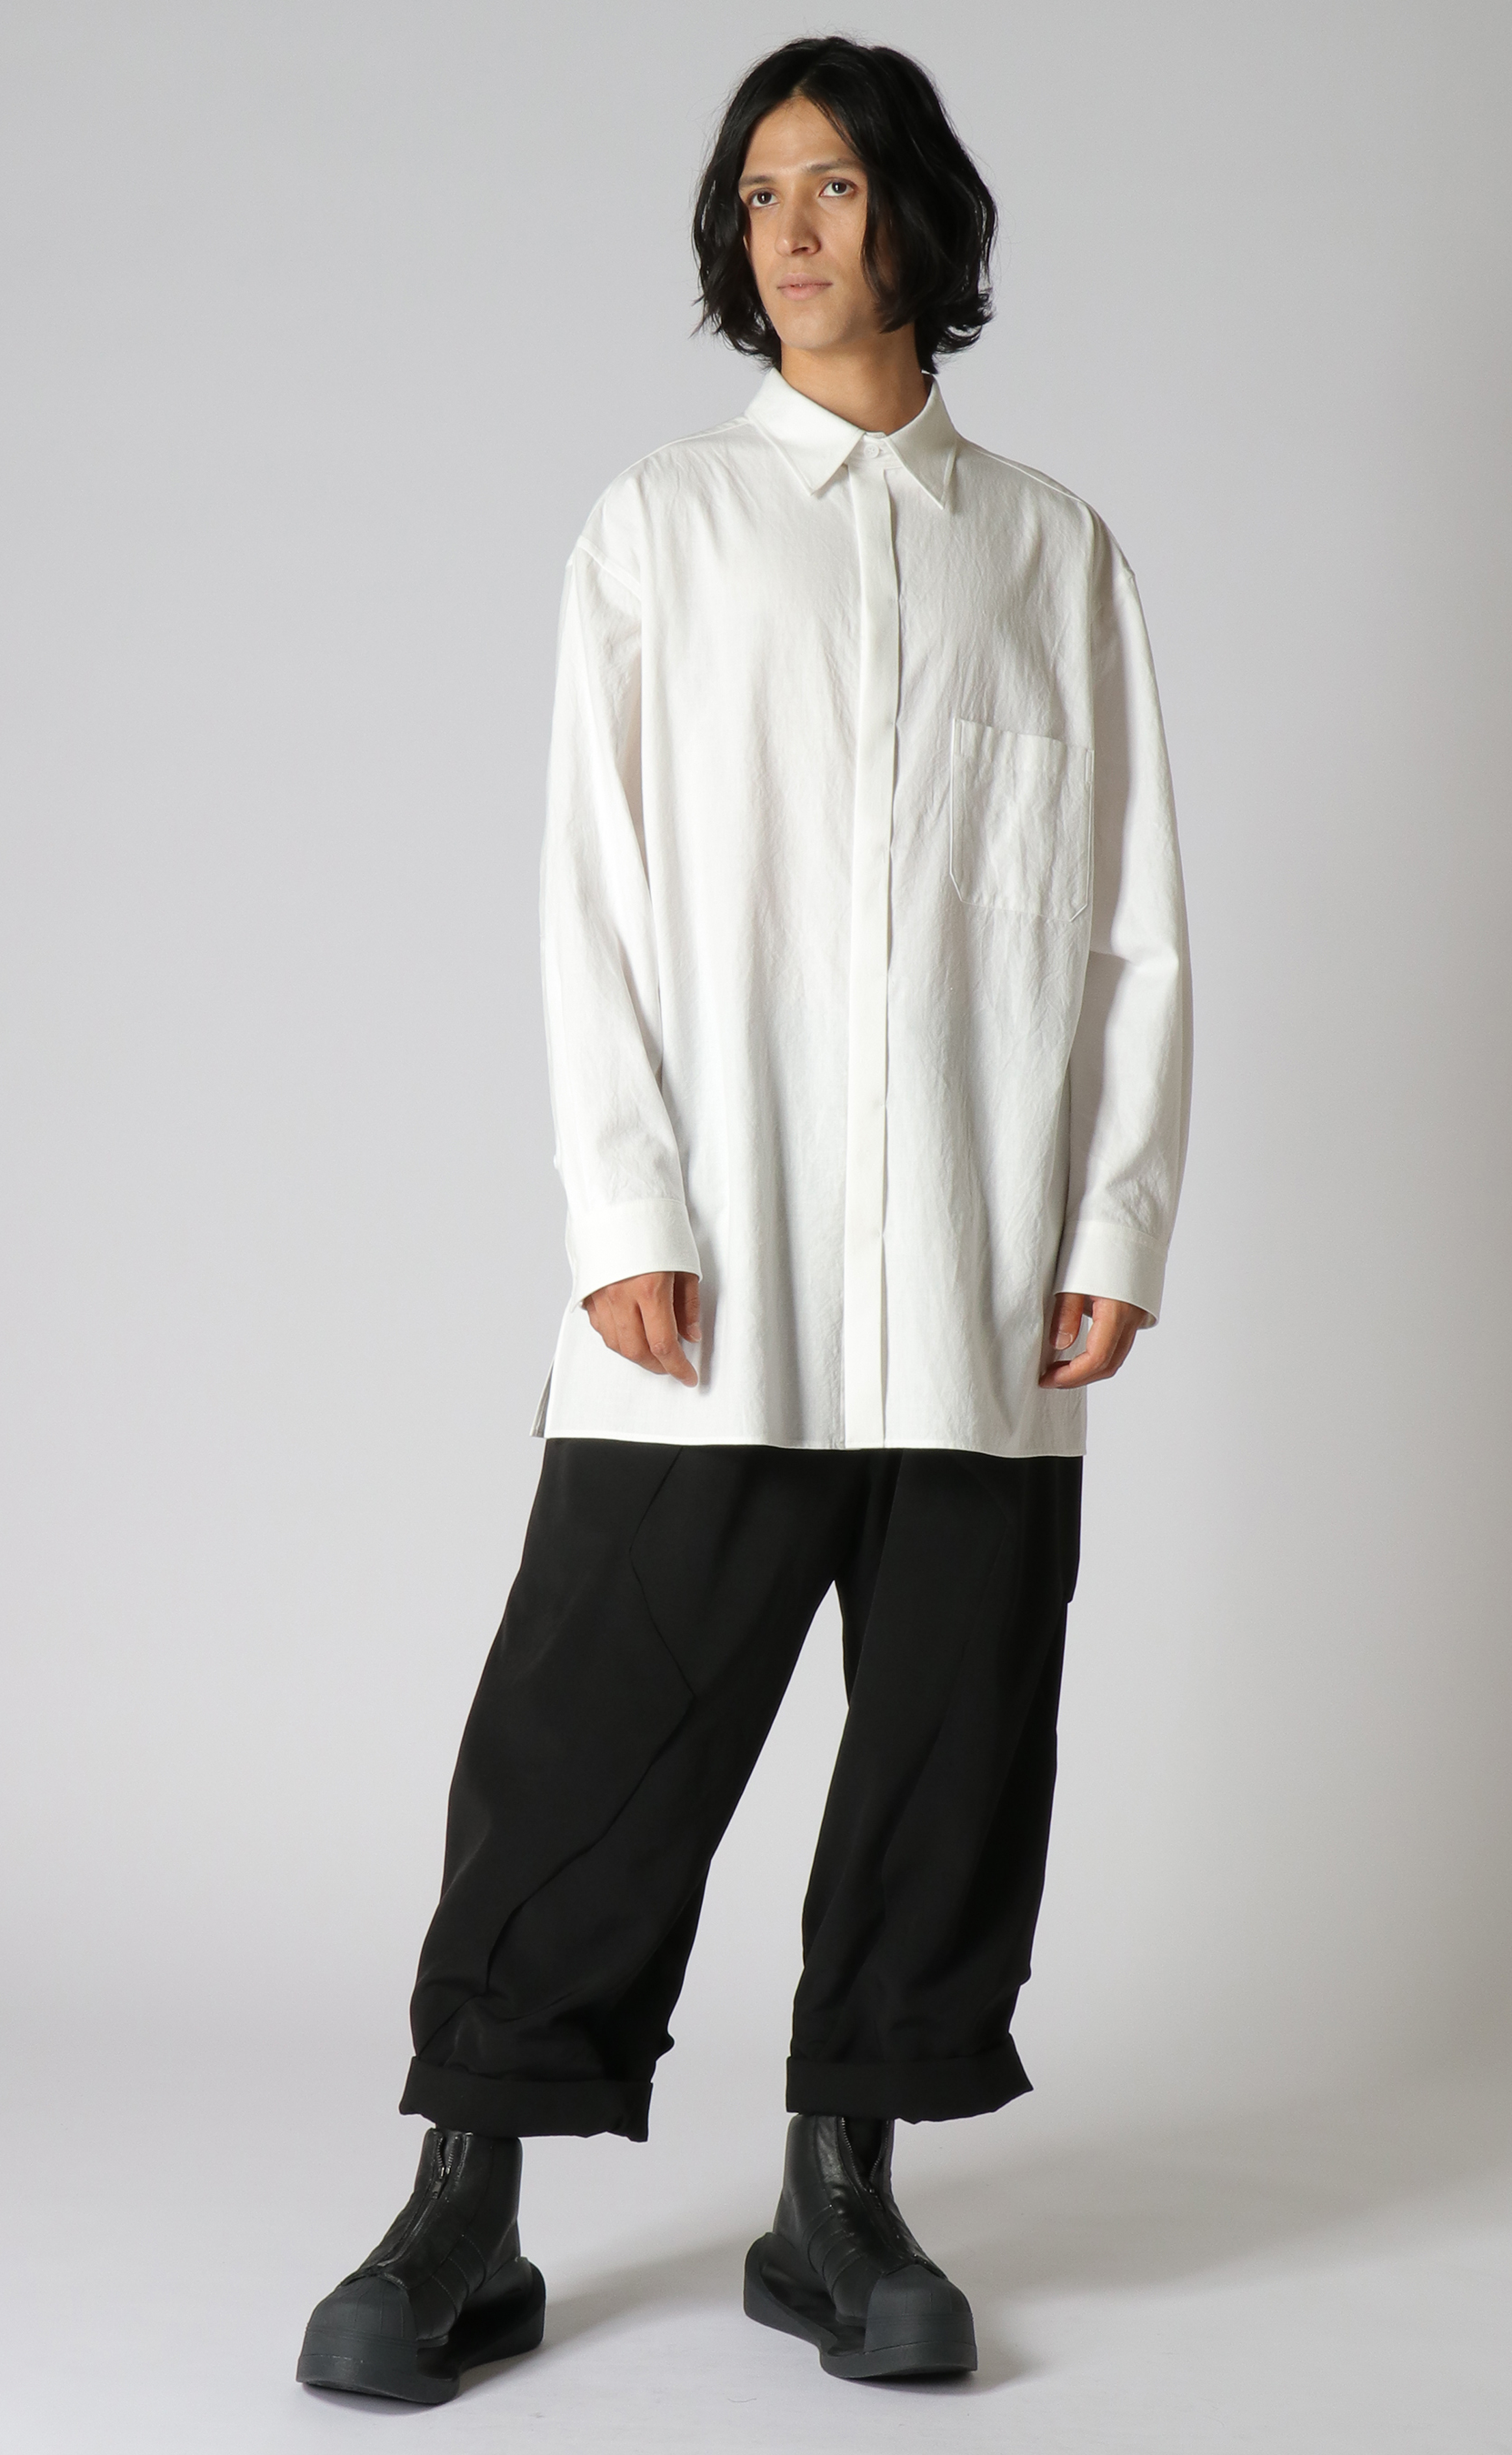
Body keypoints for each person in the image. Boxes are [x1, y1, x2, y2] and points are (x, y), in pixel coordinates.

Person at [296, 32, 1189, 2403]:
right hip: (721, 1263)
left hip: (983, 1275)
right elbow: (589, 889)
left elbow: (1129, 923)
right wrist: (624, 1198)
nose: (787, 229)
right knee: (590, 1731)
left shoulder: (1052, 554)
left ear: (920, 218)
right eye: (757, 191)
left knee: (949, 1749)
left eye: (834, 186)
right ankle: (463, 2206)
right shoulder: (664, 529)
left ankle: (840, 2193)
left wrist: (1112, 1220)